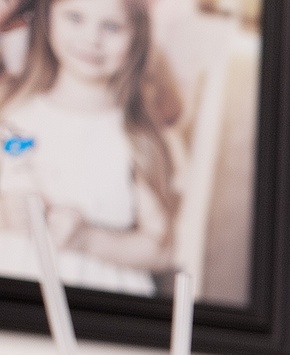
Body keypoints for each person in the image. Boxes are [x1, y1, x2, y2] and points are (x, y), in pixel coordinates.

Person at [0, 0, 182, 296]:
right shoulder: (10, 108)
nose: (91, 38)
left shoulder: (137, 135)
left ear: (137, 35)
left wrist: (88, 240)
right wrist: (5, 215)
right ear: (48, 18)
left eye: (111, 26)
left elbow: (160, 249)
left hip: (98, 307)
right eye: (74, 17)